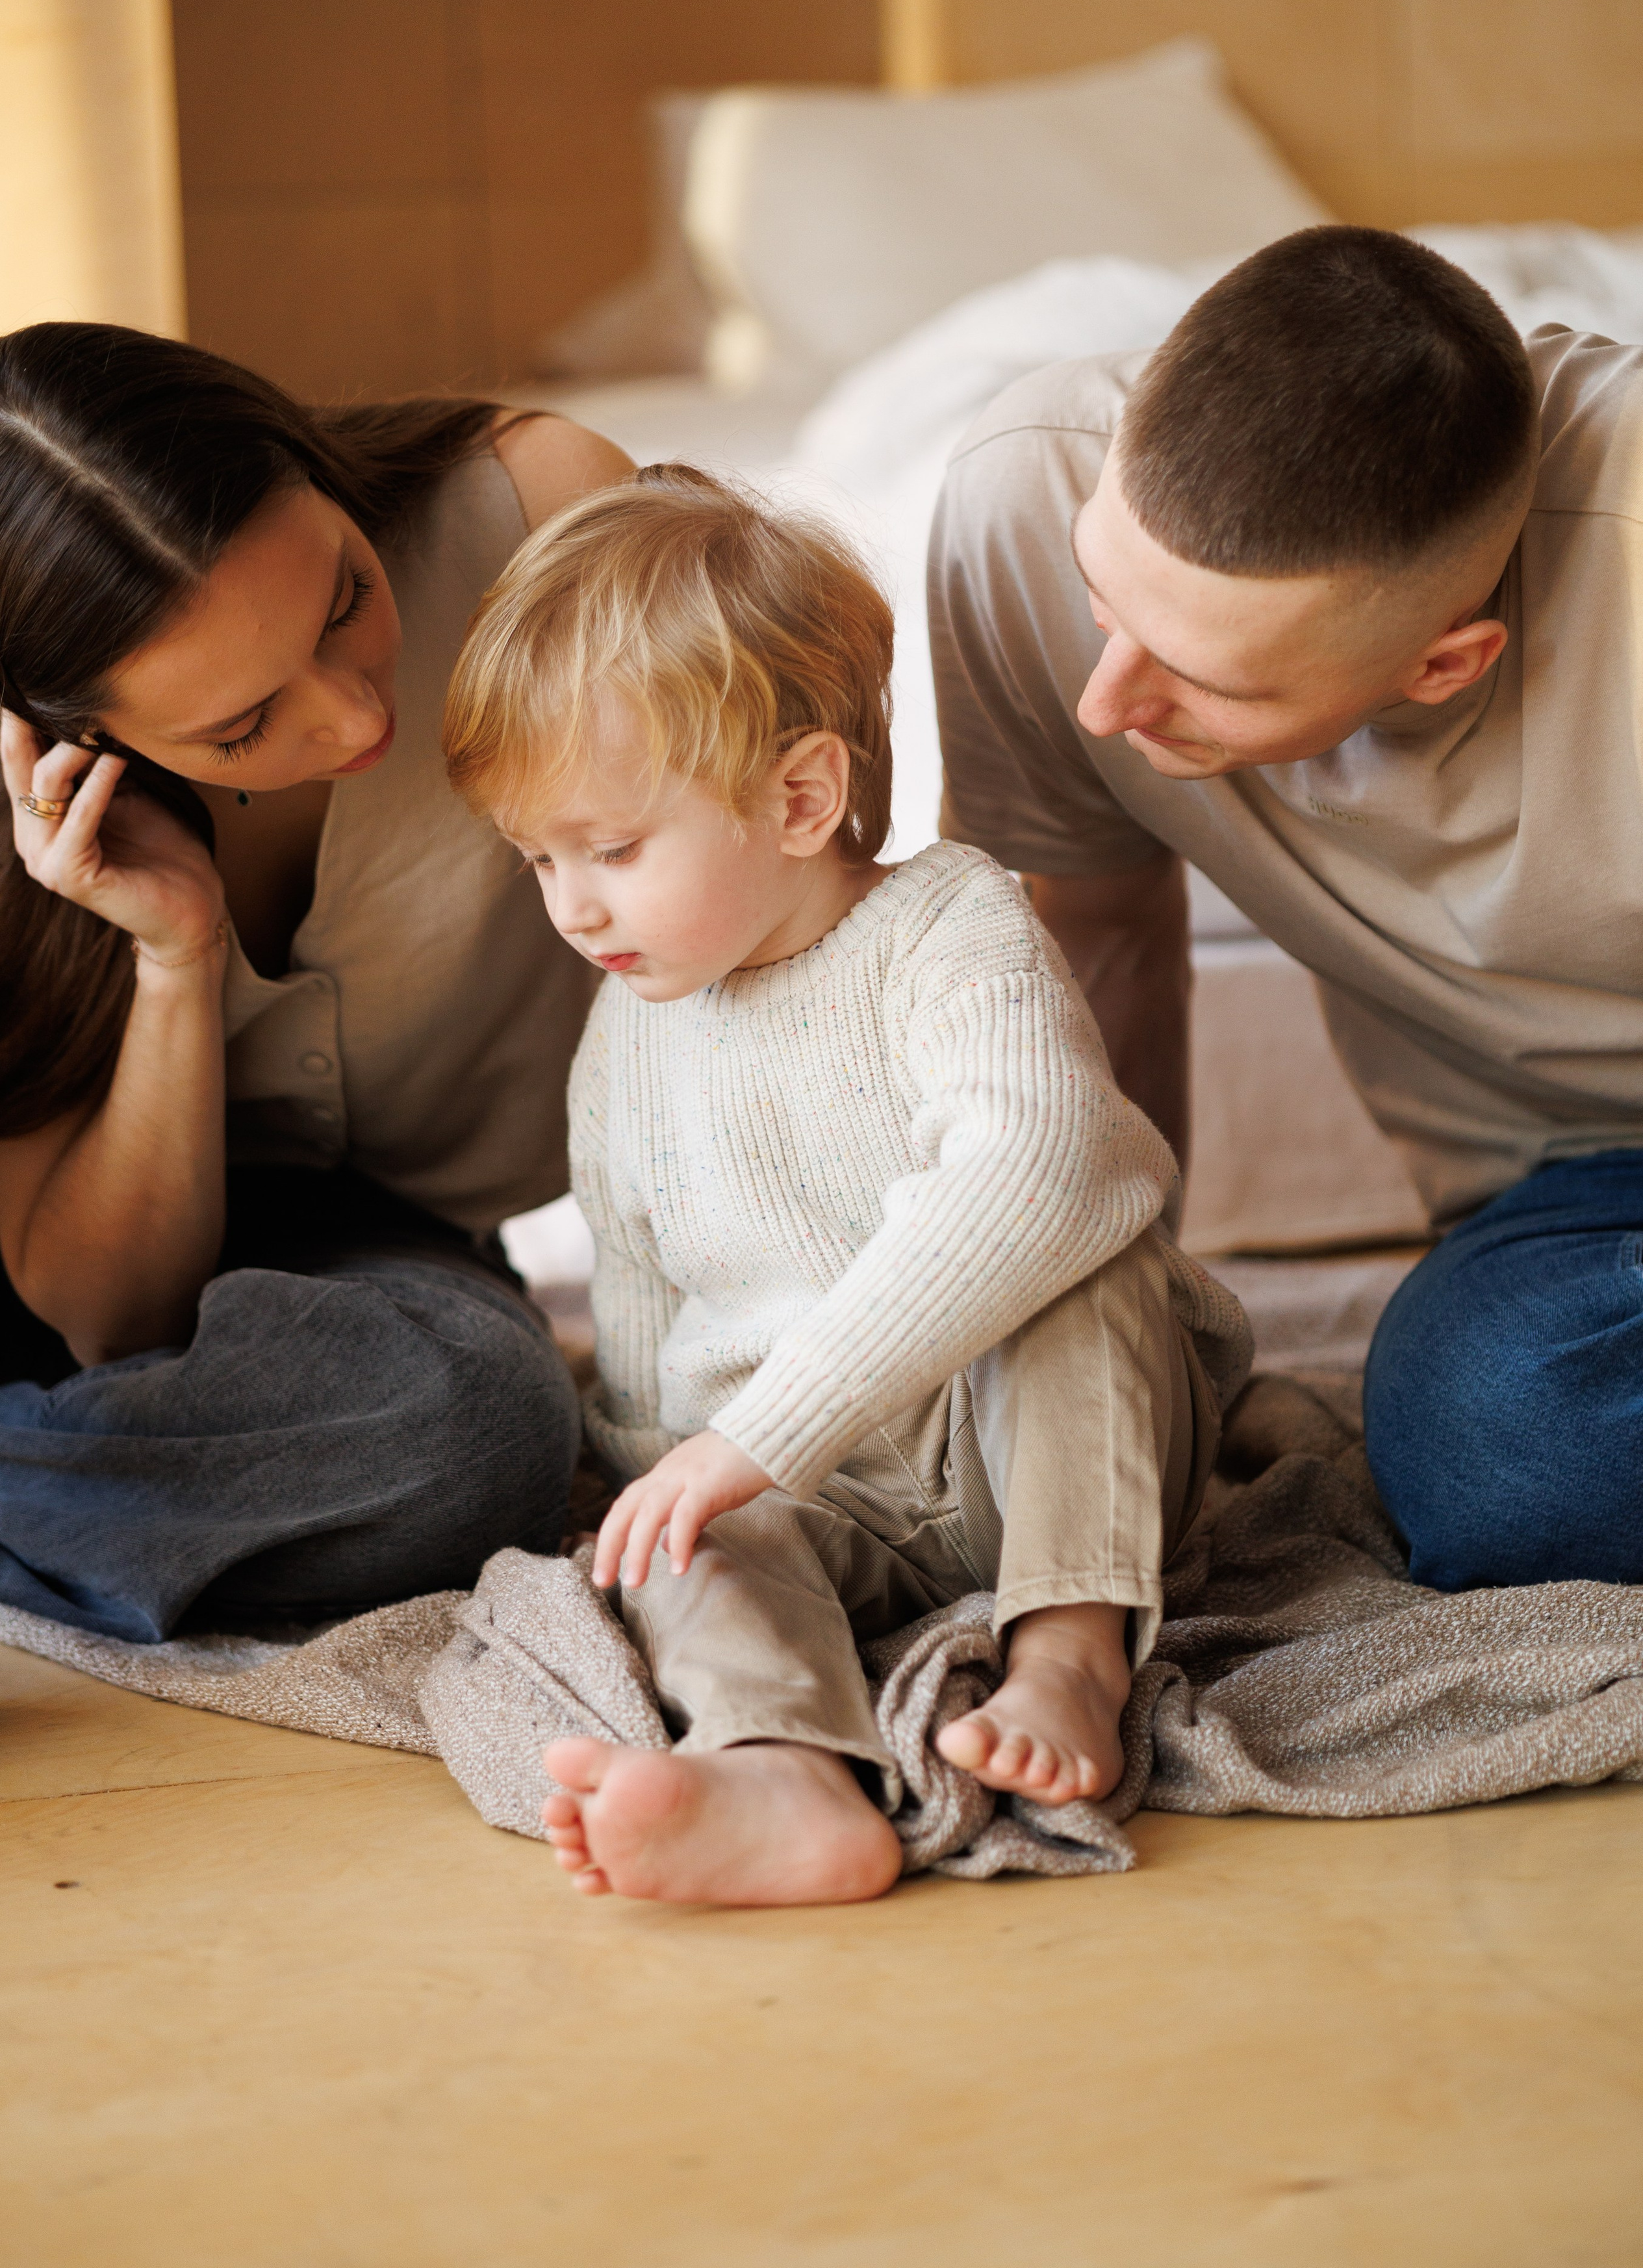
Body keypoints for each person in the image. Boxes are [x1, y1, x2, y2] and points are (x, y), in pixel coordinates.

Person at [442, 464, 1249, 1905]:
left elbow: (1037, 1167)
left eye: (614, 849)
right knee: (670, 1536)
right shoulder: (625, 1031)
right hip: (819, 1500)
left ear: (801, 795)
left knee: (1079, 1266)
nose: (571, 907)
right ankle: (781, 1774)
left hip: (1031, 1451)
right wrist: (665, 1485)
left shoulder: (950, 928)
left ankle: (1065, 1649)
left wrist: (760, 1431)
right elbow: (638, 1305)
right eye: (537, 860)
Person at [929, 221, 1643, 1593]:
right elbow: (1100, 941)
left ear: (1444, 662)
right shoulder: (1017, 506)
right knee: (1488, 1439)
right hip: (1567, 1211)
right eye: (1100, 598)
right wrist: (1122, 1360)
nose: (1105, 704)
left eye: (1211, 682)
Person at [0, 321, 634, 1641]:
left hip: (356, 1264)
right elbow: (113, 1320)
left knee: (478, 1430)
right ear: (74, 729)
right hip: (34, 1308)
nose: (353, 721)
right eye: (239, 726)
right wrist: (172, 952)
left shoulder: (541, 521)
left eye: (344, 595)